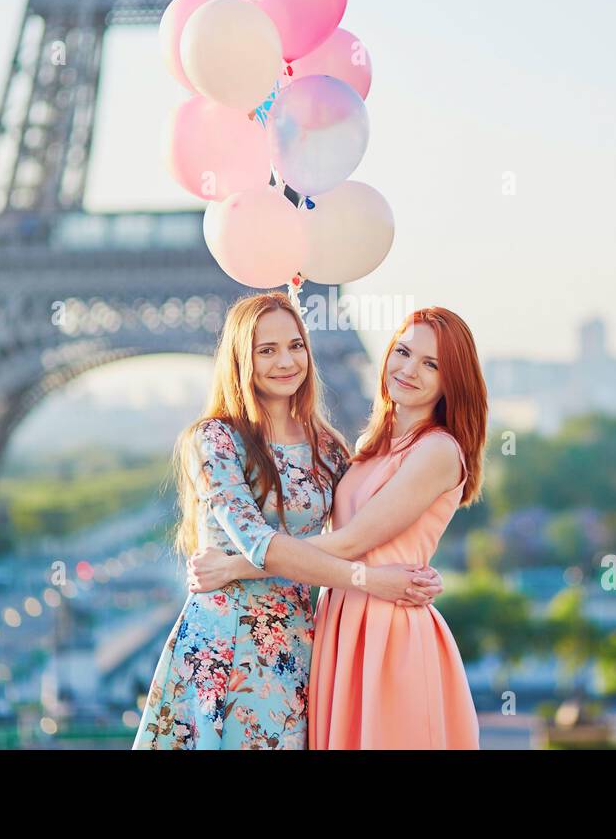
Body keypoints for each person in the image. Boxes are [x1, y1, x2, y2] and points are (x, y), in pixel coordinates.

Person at [133, 292, 443, 750]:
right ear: (241, 359)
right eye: (267, 350)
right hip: (230, 643)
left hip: (300, 642)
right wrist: (372, 580)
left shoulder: (328, 446)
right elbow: (261, 544)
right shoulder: (214, 440)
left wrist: (415, 553)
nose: (286, 361)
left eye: (296, 345)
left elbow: (361, 522)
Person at [190, 306, 487, 749]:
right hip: (340, 622)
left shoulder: (437, 451)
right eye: (403, 352)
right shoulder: (371, 445)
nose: (409, 370)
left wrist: (235, 567)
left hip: (388, 626)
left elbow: (349, 541)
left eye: (432, 364)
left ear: (453, 381)